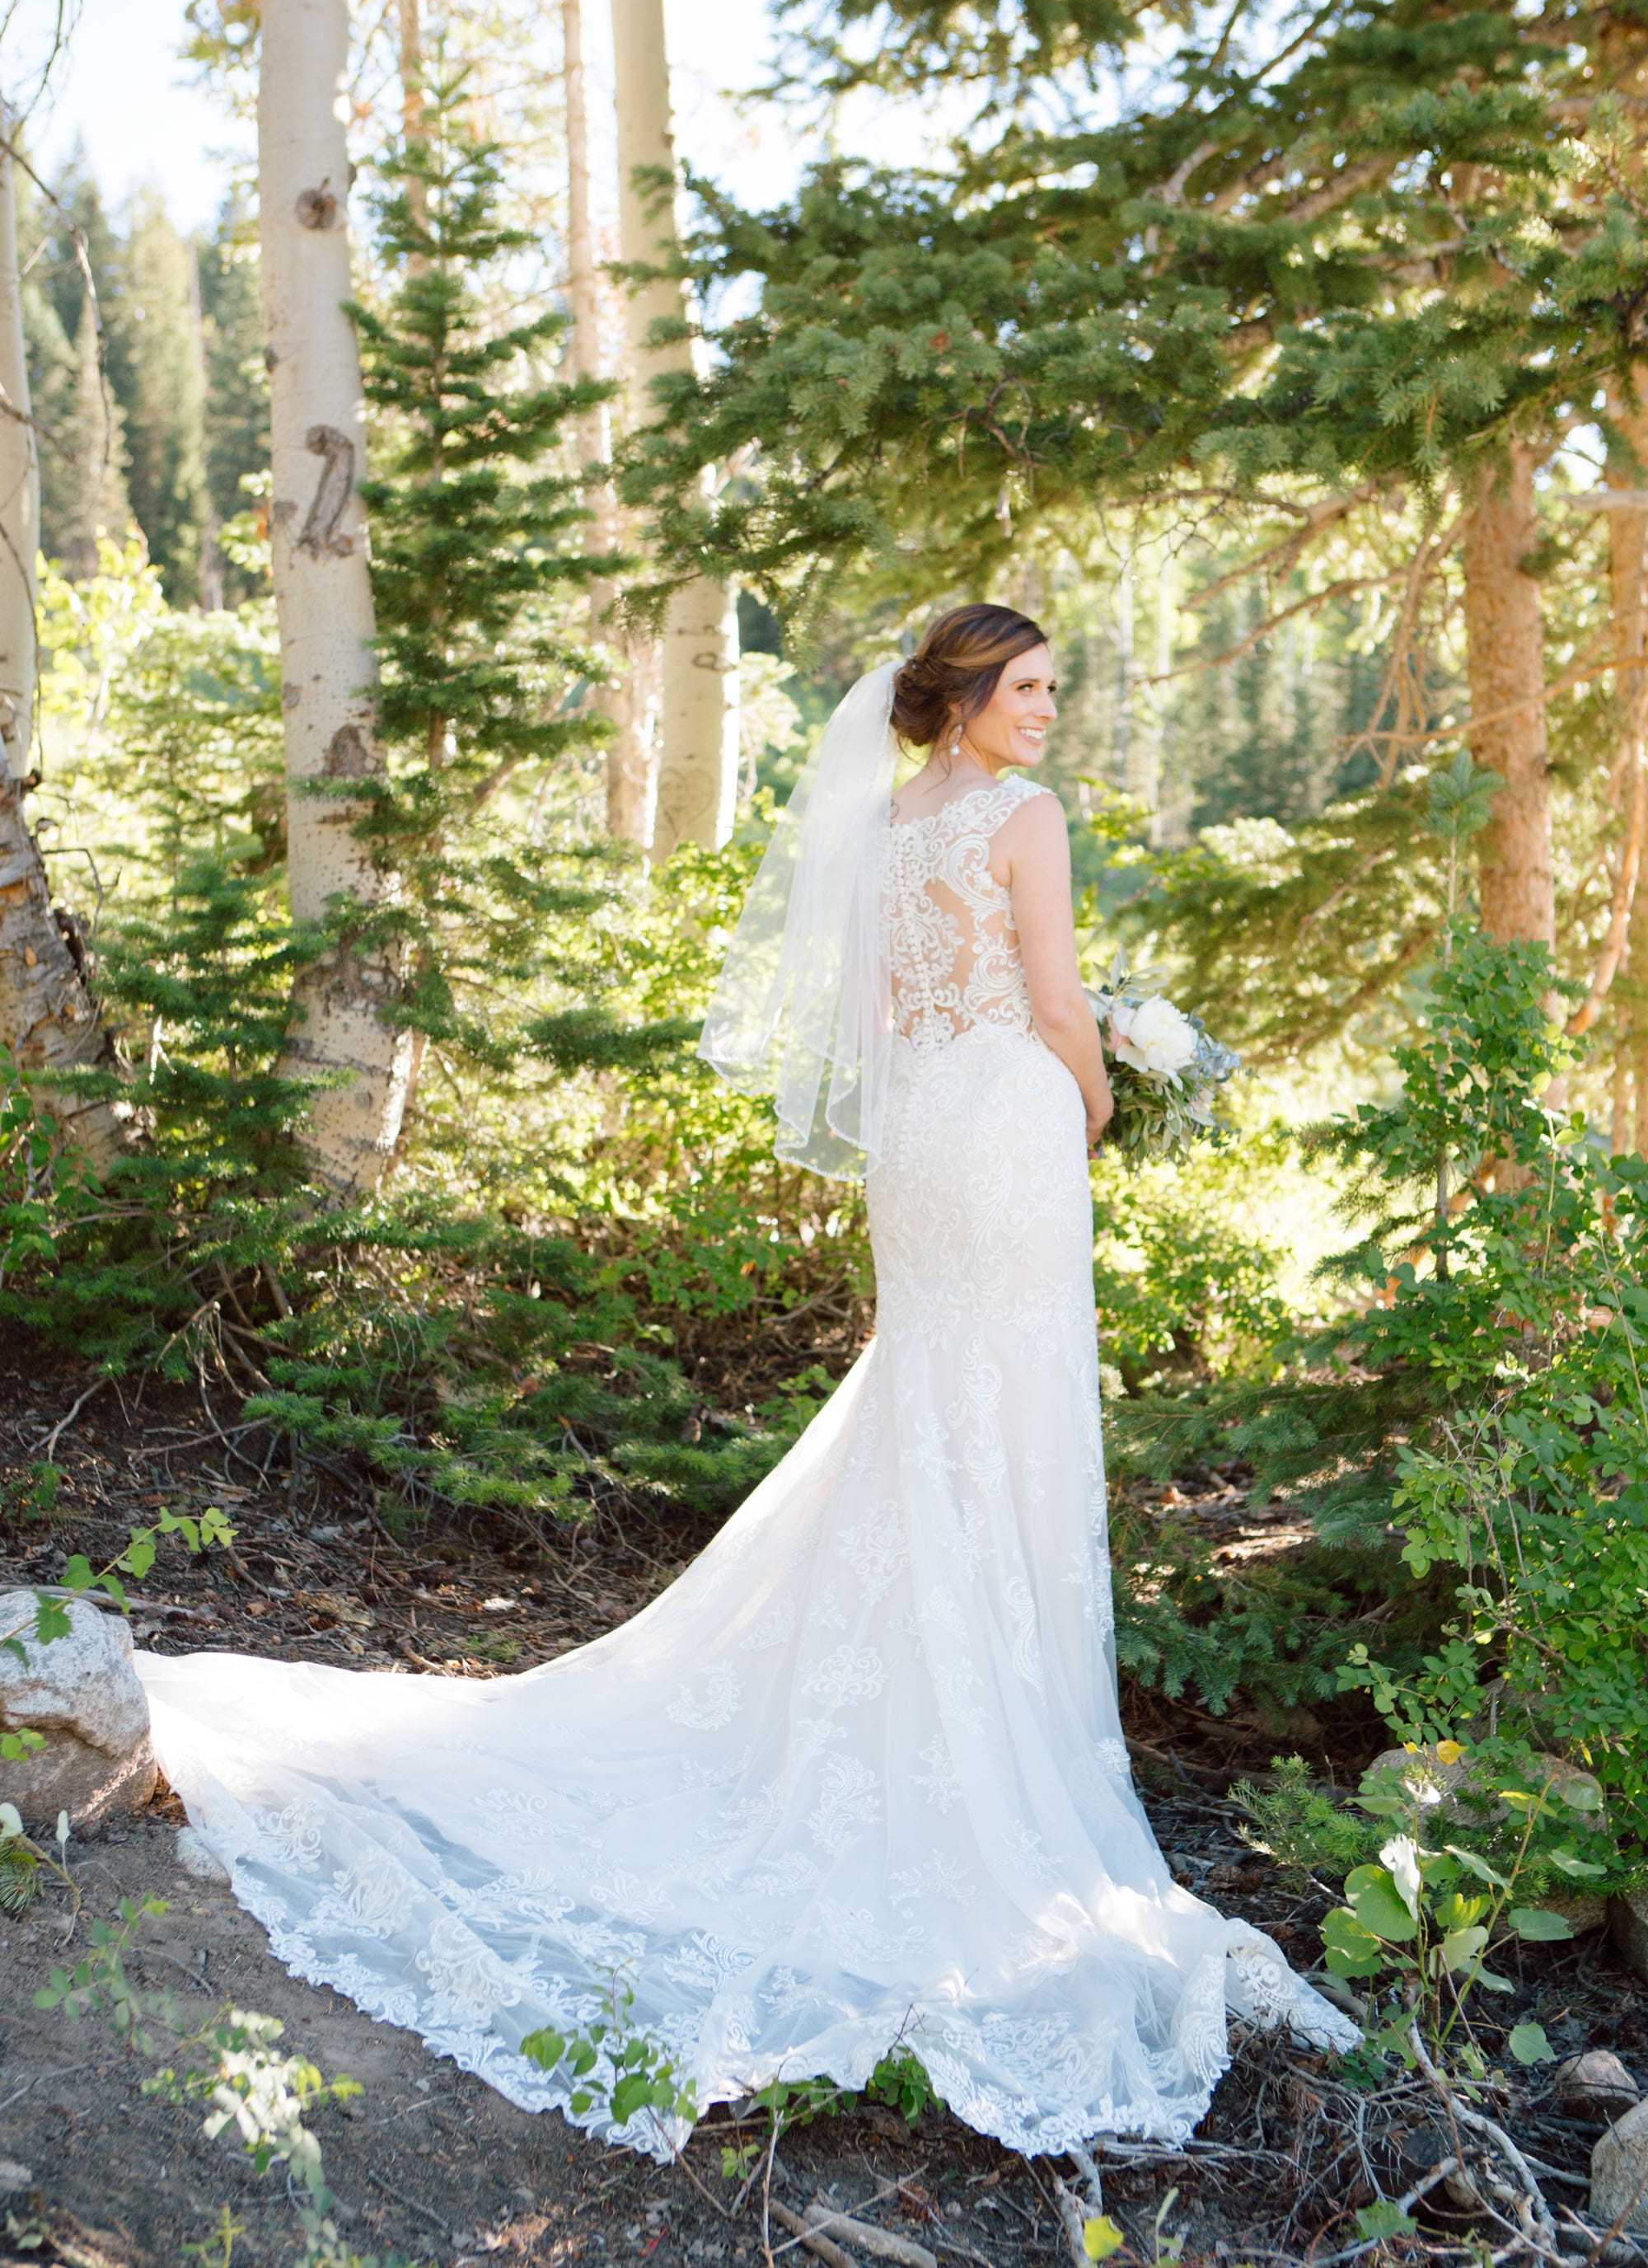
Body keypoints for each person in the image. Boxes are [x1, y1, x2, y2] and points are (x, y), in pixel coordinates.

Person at [137, 603, 1351, 2167]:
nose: (1050, 709)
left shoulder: (888, 821)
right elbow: (1054, 1004)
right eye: (1030, 686)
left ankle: (911, 1694)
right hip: (1007, 1127)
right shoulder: (1026, 817)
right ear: (967, 697)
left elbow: (878, 1016)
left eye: (1055, 687)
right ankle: (971, 1730)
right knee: (1003, 1419)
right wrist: (1103, 1089)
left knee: (932, 1405)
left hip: (921, 1137)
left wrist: (1007, 1065)